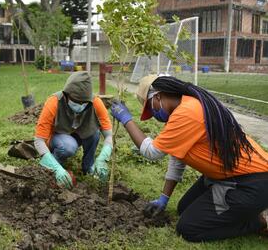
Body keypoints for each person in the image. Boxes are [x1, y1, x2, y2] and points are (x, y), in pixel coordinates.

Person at [110, 74, 268, 242]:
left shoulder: (187, 112)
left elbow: (152, 152)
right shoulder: (186, 106)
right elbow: (178, 158)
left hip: (250, 182)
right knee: (183, 209)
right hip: (225, 177)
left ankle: (259, 221)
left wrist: (127, 120)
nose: (153, 114)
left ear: (158, 96)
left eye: (151, 108)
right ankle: (241, 209)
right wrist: (164, 198)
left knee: (188, 229)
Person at [35, 71, 113, 188]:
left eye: (84, 103)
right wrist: (56, 169)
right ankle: (52, 167)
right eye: (76, 102)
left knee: (95, 133)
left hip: (79, 134)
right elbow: (39, 140)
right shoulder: (54, 102)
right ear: (66, 95)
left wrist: (103, 158)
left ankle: (88, 167)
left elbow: (109, 135)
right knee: (68, 146)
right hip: (58, 138)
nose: (80, 105)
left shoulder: (95, 102)